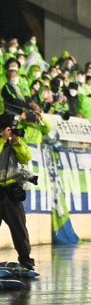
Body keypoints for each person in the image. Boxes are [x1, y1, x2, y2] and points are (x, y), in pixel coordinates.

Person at [0, 113, 34, 271]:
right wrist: (2, 140)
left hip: (11, 192)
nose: (12, 131)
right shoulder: (2, 141)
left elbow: (26, 157)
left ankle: (26, 260)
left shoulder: (14, 142)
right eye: (9, 128)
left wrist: (16, 142)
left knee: (19, 228)